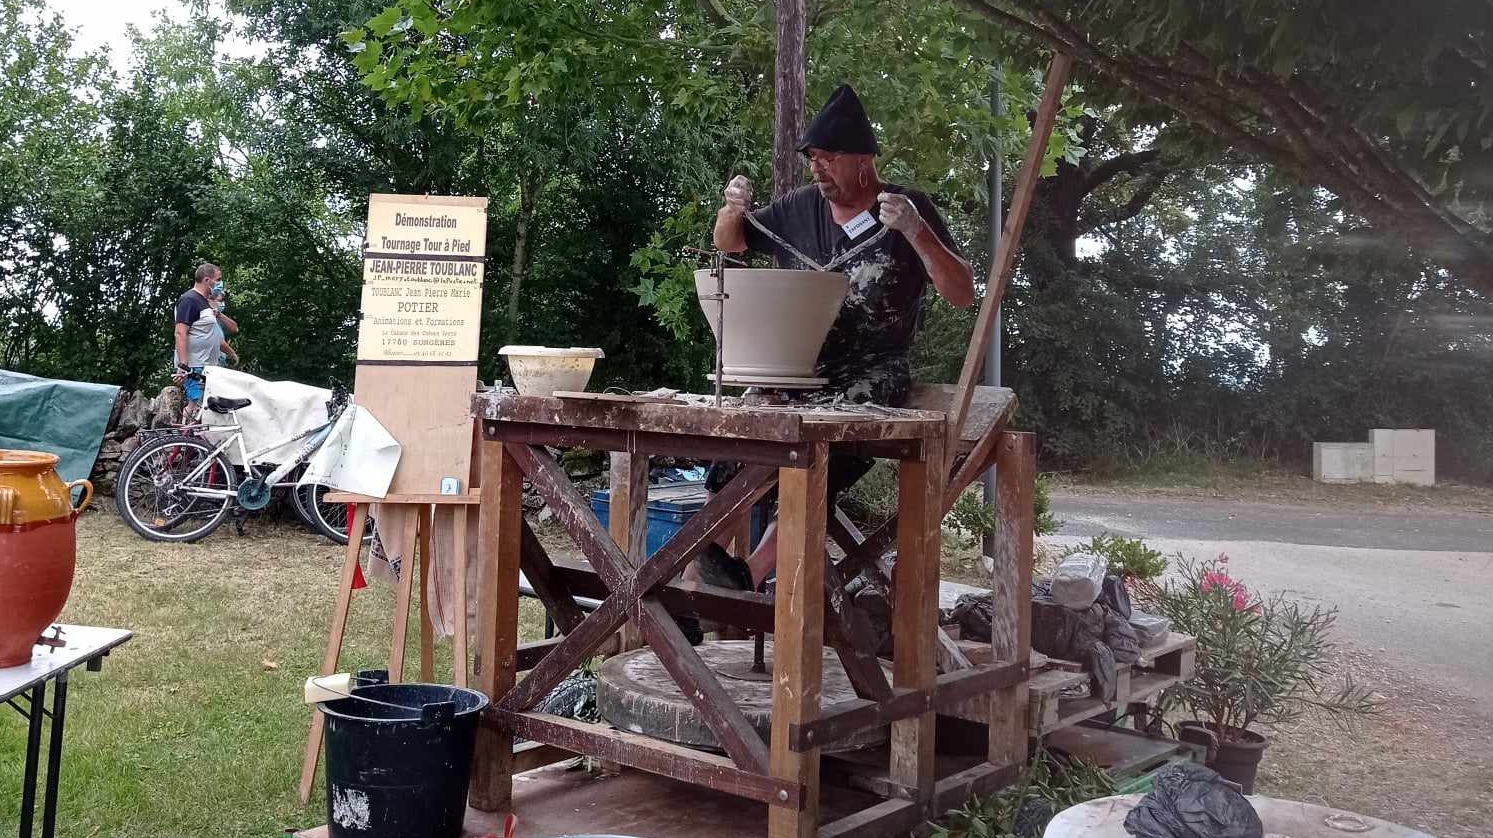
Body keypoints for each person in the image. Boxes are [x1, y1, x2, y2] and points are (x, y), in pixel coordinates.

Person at [690, 84, 976, 600]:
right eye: (814, 160)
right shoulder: (800, 208)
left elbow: (961, 293)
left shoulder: (907, 207)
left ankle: (749, 576)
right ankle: (695, 587)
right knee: (734, 446)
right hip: (798, 369)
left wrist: (916, 232)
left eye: (829, 159)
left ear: (863, 160)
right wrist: (731, 208)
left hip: (870, 373)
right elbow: (729, 244)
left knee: (817, 458)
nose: (818, 171)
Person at [173, 263, 223, 409]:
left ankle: (195, 431)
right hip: (194, 366)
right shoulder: (189, 300)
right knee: (194, 406)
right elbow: (180, 332)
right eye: (218, 280)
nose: (220, 284)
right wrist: (183, 365)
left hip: (206, 364)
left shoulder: (205, 301)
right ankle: (186, 431)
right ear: (207, 280)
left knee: (204, 407)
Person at [208, 281, 240, 367]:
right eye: (220, 300)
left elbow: (235, 329)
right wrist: (232, 353)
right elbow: (217, 340)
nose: (222, 304)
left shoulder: (218, 317)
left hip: (218, 362)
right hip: (208, 364)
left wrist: (219, 314)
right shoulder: (206, 316)